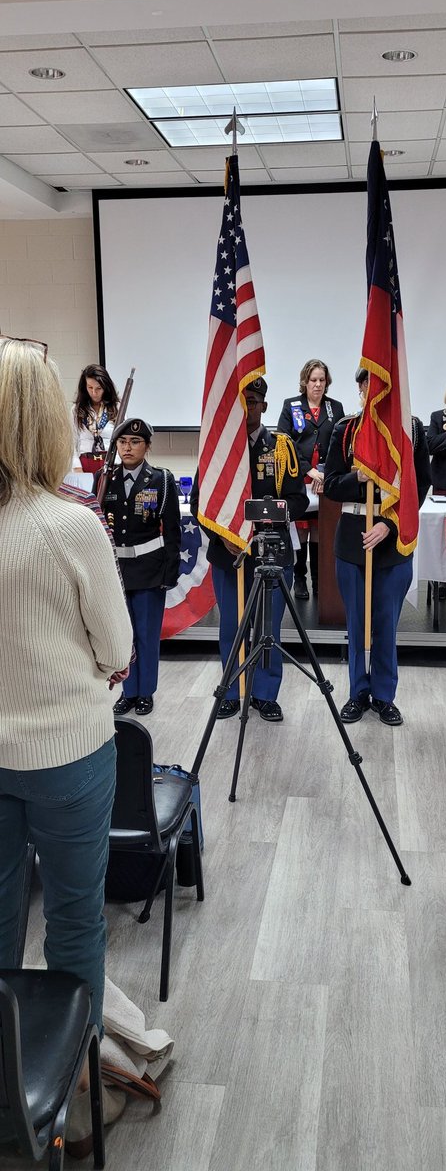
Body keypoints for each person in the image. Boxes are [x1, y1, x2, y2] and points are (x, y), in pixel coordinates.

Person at [0, 336, 133, 1043]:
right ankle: (73, 1096)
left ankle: (8, 1101)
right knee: (75, 919)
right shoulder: (72, 527)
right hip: (67, 755)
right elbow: (118, 651)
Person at [191, 377, 308, 722]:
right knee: (231, 625)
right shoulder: (217, 452)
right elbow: (201, 503)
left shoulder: (281, 447)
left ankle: (265, 694)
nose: (248, 408)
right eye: (242, 401)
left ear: (265, 406)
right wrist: (222, 536)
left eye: (254, 401)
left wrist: (263, 518)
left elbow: (299, 501)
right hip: (229, 555)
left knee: (268, 628)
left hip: (271, 552)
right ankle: (230, 689)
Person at [324, 377, 431, 726]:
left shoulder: (410, 430)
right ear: (360, 389)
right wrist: (359, 476)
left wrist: (391, 522)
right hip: (353, 540)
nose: (375, 392)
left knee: (386, 624)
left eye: (381, 383)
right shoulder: (345, 429)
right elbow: (331, 486)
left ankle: (384, 695)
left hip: (393, 540)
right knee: (357, 625)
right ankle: (358, 692)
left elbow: (420, 484)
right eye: (367, 384)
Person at [97, 418, 181, 718]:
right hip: (115, 571)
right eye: (122, 442)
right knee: (123, 635)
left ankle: (146, 692)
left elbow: (172, 530)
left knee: (146, 634)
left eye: (134, 442)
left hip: (149, 568)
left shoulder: (161, 479)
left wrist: (170, 573)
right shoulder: (105, 477)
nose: (127, 447)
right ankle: (128, 691)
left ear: (146, 446)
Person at [277, 359, 344, 600]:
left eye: (322, 380)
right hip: (298, 480)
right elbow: (284, 443)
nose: (317, 385)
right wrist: (308, 470)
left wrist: (324, 471)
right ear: (305, 382)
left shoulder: (334, 408)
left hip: (324, 482)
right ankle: (300, 579)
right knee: (301, 531)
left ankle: (319, 580)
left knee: (320, 530)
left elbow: (340, 444)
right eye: (313, 380)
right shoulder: (291, 405)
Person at [73, 363, 119, 473]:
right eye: (90, 387)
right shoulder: (76, 410)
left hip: (111, 464)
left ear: (106, 387)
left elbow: (122, 440)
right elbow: (71, 443)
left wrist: (118, 465)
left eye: (98, 388)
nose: (94, 392)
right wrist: (77, 467)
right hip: (85, 464)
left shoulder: (117, 408)